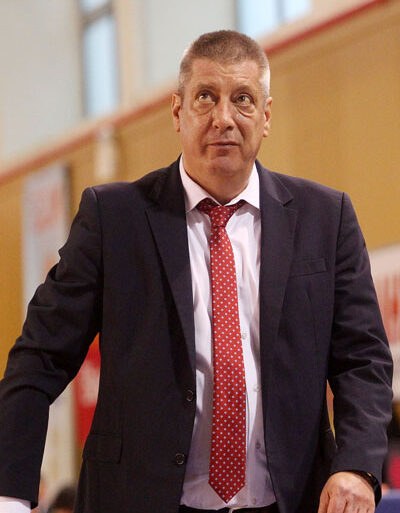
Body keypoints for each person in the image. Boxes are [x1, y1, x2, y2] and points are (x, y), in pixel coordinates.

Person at [0, 30, 393, 513]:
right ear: (177, 112)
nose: (223, 118)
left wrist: (357, 465)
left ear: (266, 116)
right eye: (206, 96)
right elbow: (40, 356)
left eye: (243, 99)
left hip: (288, 501)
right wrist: (10, 494)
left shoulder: (325, 218)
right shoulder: (113, 218)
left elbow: (363, 360)